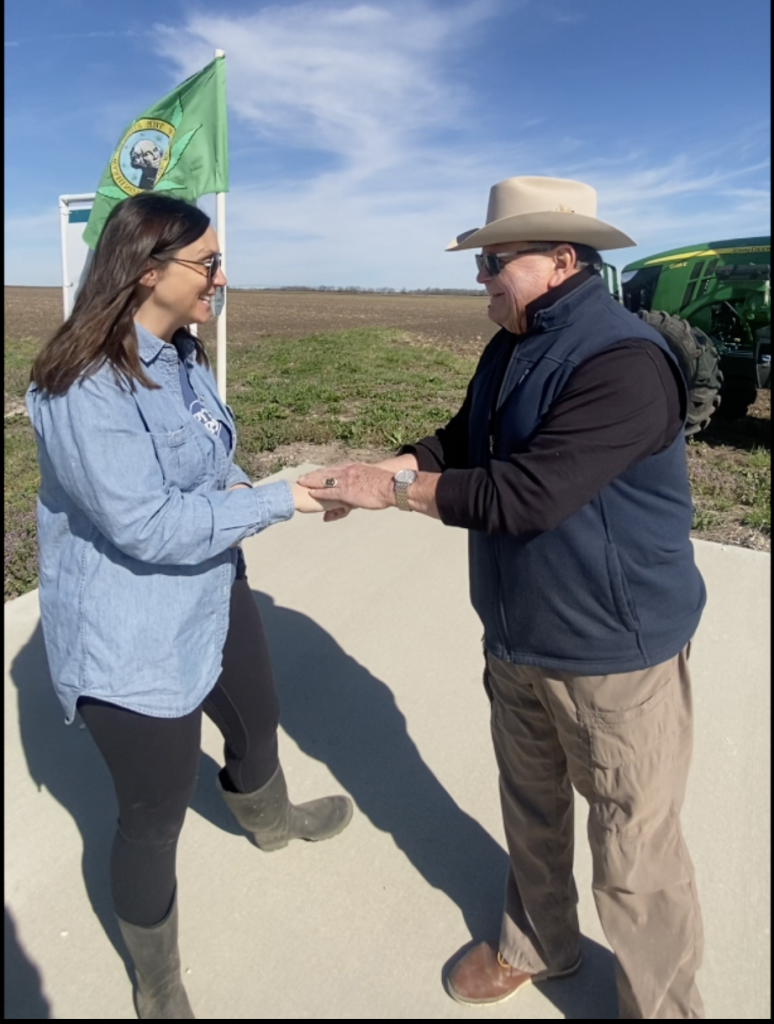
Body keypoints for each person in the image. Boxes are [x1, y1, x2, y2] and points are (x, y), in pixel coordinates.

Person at [299, 176, 706, 1019]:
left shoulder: (624, 363)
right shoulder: (514, 341)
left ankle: (662, 1008)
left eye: (493, 262)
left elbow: (527, 495)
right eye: (479, 262)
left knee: (636, 856)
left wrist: (392, 494)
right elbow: (464, 439)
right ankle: (540, 944)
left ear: (561, 260)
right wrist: (389, 470)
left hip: (611, 656)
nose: (480, 279)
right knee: (531, 811)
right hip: (518, 636)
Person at [26, 192, 353, 1020]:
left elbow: (201, 483)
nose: (222, 277)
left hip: (212, 587)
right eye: (208, 263)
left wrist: (265, 489)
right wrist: (282, 502)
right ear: (144, 270)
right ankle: (157, 981)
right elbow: (146, 525)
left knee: (258, 716)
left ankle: (272, 823)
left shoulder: (182, 357)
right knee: (154, 811)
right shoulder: (80, 387)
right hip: (129, 631)